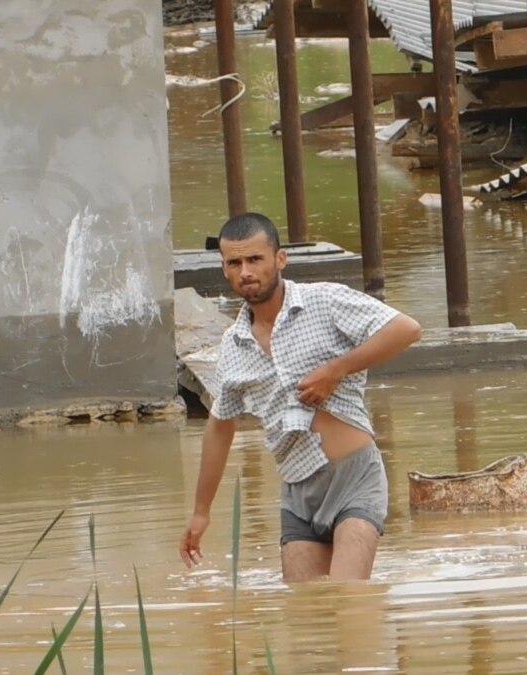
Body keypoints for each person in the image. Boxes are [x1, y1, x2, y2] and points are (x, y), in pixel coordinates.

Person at [178, 212, 421, 582]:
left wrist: (336, 370)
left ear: (279, 259)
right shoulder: (232, 346)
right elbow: (220, 427)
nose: (245, 271)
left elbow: (406, 329)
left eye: (255, 259)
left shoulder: (324, 302)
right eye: (235, 262)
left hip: (355, 478)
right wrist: (200, 512)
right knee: (307, 615)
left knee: (348, 596)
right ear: (224, 268)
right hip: (298, 493)